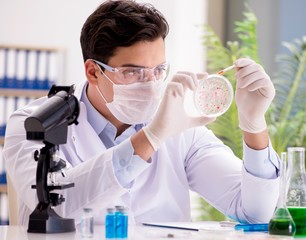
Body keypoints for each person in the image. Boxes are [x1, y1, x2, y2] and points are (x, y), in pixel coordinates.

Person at [3, 0, 279, 226]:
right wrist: (152, 137)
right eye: (133, 72)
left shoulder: (183, 129)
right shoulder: (34, 123)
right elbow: (59, 206)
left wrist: (254, 124)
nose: (149, 84)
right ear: (93, 71)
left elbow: (254, 211)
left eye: (158, 70)